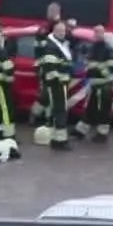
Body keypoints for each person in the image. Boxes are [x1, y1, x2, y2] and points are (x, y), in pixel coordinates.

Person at [33, 19, 74, 149]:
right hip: (57, 83)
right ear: (54, 31)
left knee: (59, 110)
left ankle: (58, 139)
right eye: (59, 30)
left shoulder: (62, 43)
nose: (62, 33)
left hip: (60, 82)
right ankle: (60, 141)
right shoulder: (51, 46)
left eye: (63, 30)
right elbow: (50, 66)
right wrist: (57, 78)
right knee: (60, 110)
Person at [79, 31, 113, 143]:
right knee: (91, 107)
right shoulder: (93, 48)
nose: (96, 36)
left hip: (104, 84)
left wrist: (101, 69)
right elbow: (88, 62)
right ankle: (81, 130)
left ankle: (102, 133)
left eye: (99, 34)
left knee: (103, 110)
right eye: (95, 34)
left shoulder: (107, 49)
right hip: (95, 83)